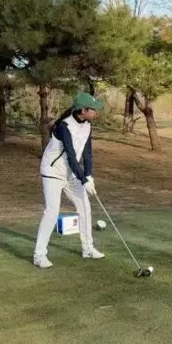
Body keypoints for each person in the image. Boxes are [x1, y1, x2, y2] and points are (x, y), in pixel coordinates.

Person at [33, 92, 104, 268]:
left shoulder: (87, 125)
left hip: (71, 174)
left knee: (85, 207)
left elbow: (87, 153)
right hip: (53, 172)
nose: (96, 112)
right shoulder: (64, 126)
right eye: (93, 109)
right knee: (52, 212)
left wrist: (89, 175)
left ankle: (88, 249)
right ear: (83, 110)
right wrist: (83, 179)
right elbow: (71, 156)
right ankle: (39, 256)